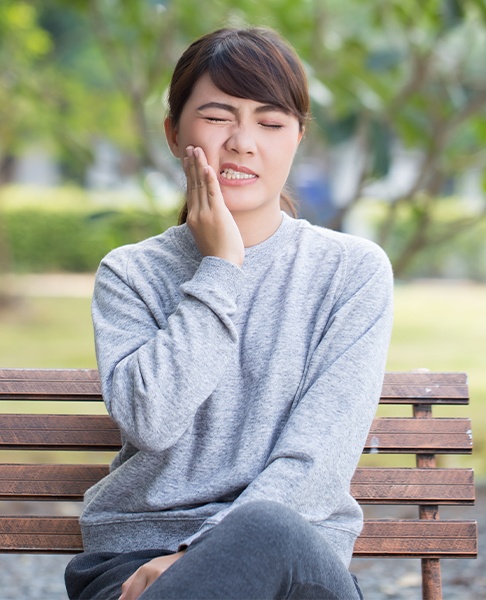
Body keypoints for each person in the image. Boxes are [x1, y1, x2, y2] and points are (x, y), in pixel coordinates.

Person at [65, 27, 393, 600]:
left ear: (297, 139)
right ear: (173, 133)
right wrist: (220, 268)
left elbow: (315, 463)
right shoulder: (131, 274)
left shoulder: (351, 271)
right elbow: (152, 421)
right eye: (218, 117)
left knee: (265, 528)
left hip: (297, 564)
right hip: (135, 562)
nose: (243, 142)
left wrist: (200, 556)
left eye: (270, 123)